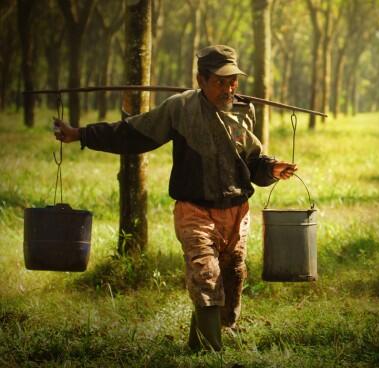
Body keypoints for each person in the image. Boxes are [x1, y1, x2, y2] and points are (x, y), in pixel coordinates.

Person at [54, 45, 297, 351]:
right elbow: (131, 133)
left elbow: (253, 164)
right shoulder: (180, 108)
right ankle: (212, 353)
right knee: (206, 276)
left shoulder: (243, 113)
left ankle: (199, 345)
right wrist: (81, 134)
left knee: (232, 278)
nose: (229, 88)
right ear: (201, 79)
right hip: (195, 211)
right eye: (221, 81)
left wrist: (273, 168)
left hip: (237, 212)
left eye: (233, 80)